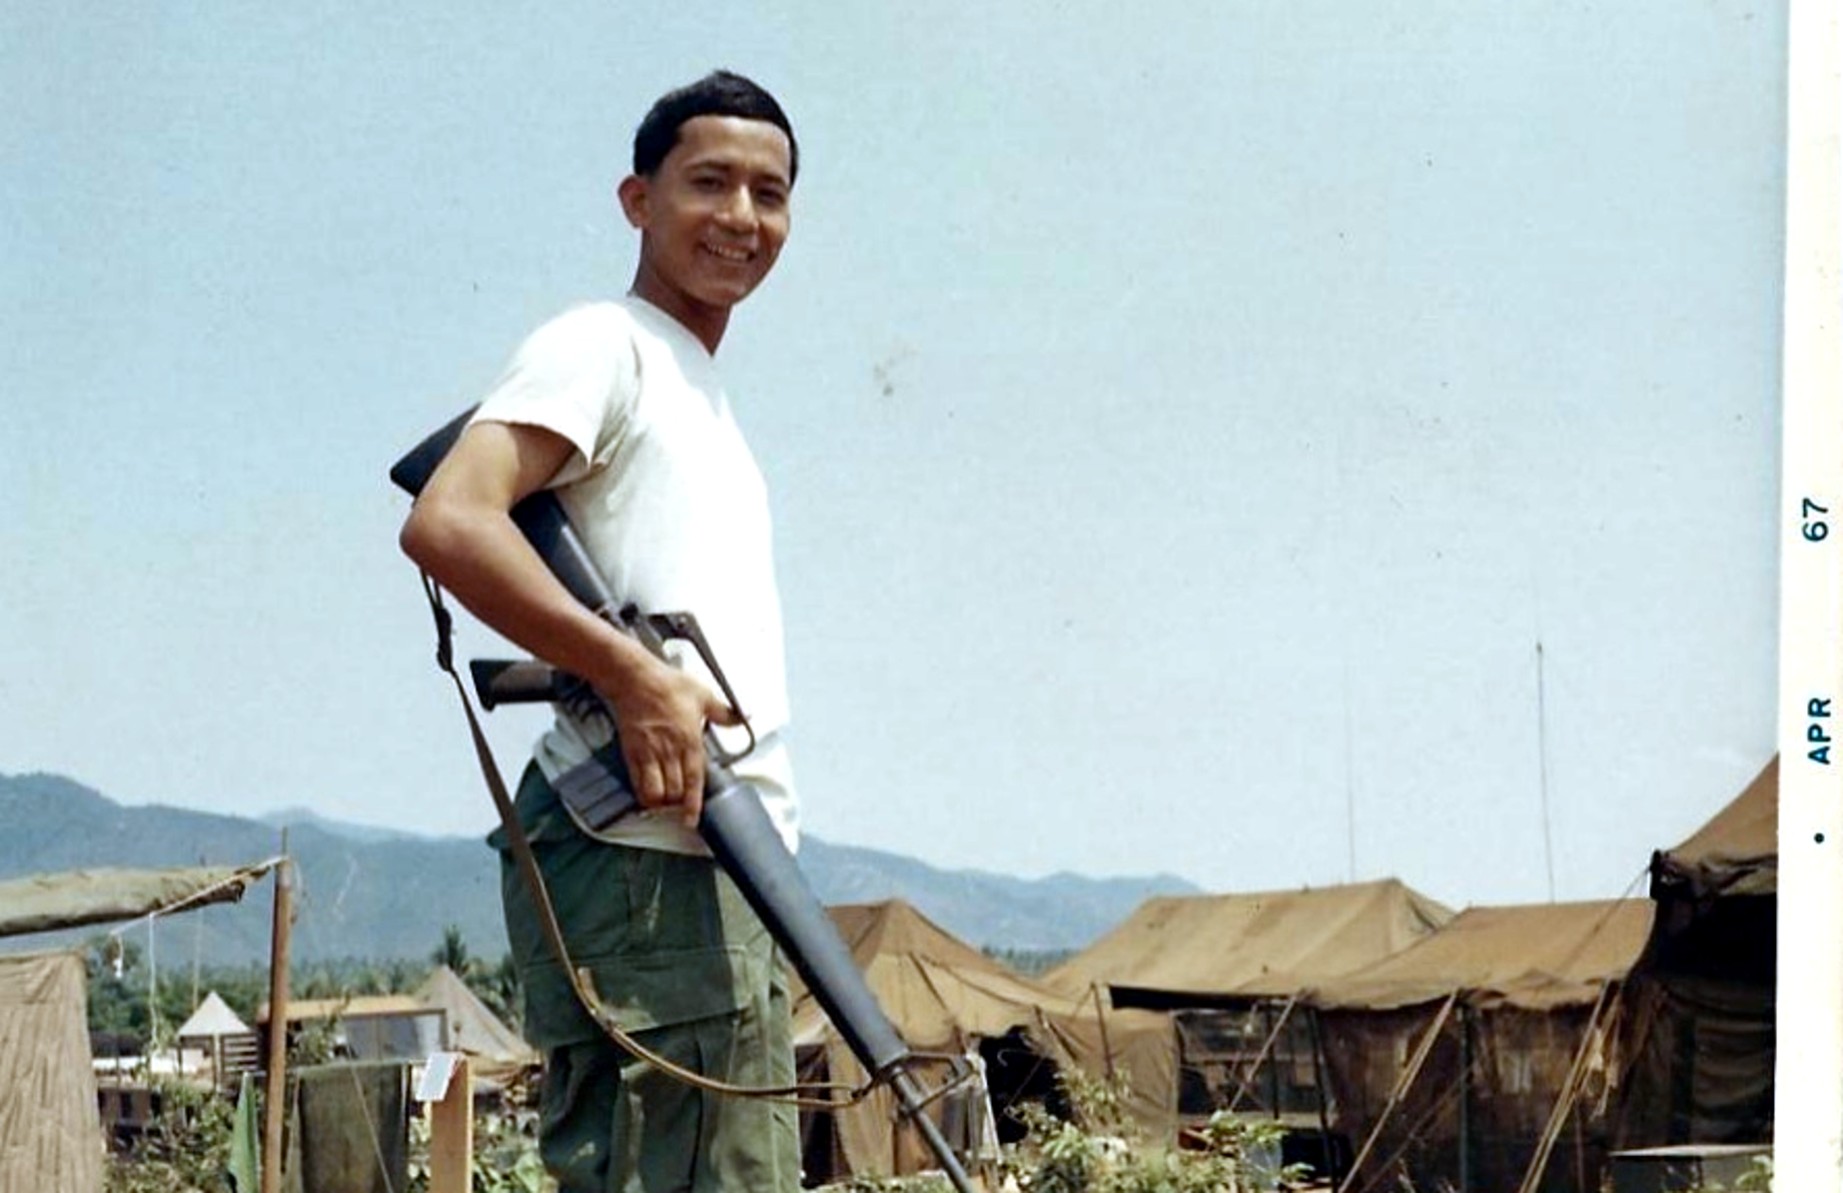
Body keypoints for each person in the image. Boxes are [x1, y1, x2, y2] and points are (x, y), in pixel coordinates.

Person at [399, 70, 803, 1192]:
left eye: (768, 194)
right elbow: (450, 519)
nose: (740, 216)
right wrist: (630, 676)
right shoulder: (606, 344)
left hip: (712, 853)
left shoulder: (695, 386)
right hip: (641, 851)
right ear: (637, 199)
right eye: (708, 182)